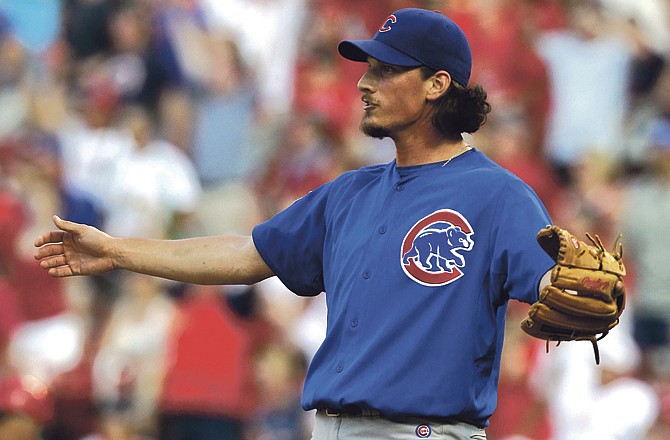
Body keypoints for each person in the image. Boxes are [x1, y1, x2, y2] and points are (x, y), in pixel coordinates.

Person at [35, 8, 597, 440]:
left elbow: (559, 285)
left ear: (437, 84)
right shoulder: (348, 193)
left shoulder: (498, 196)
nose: (364, 81)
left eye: (387, 67)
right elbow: (247, 256)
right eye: (368, 66)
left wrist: (568, 289)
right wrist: (118, 251)